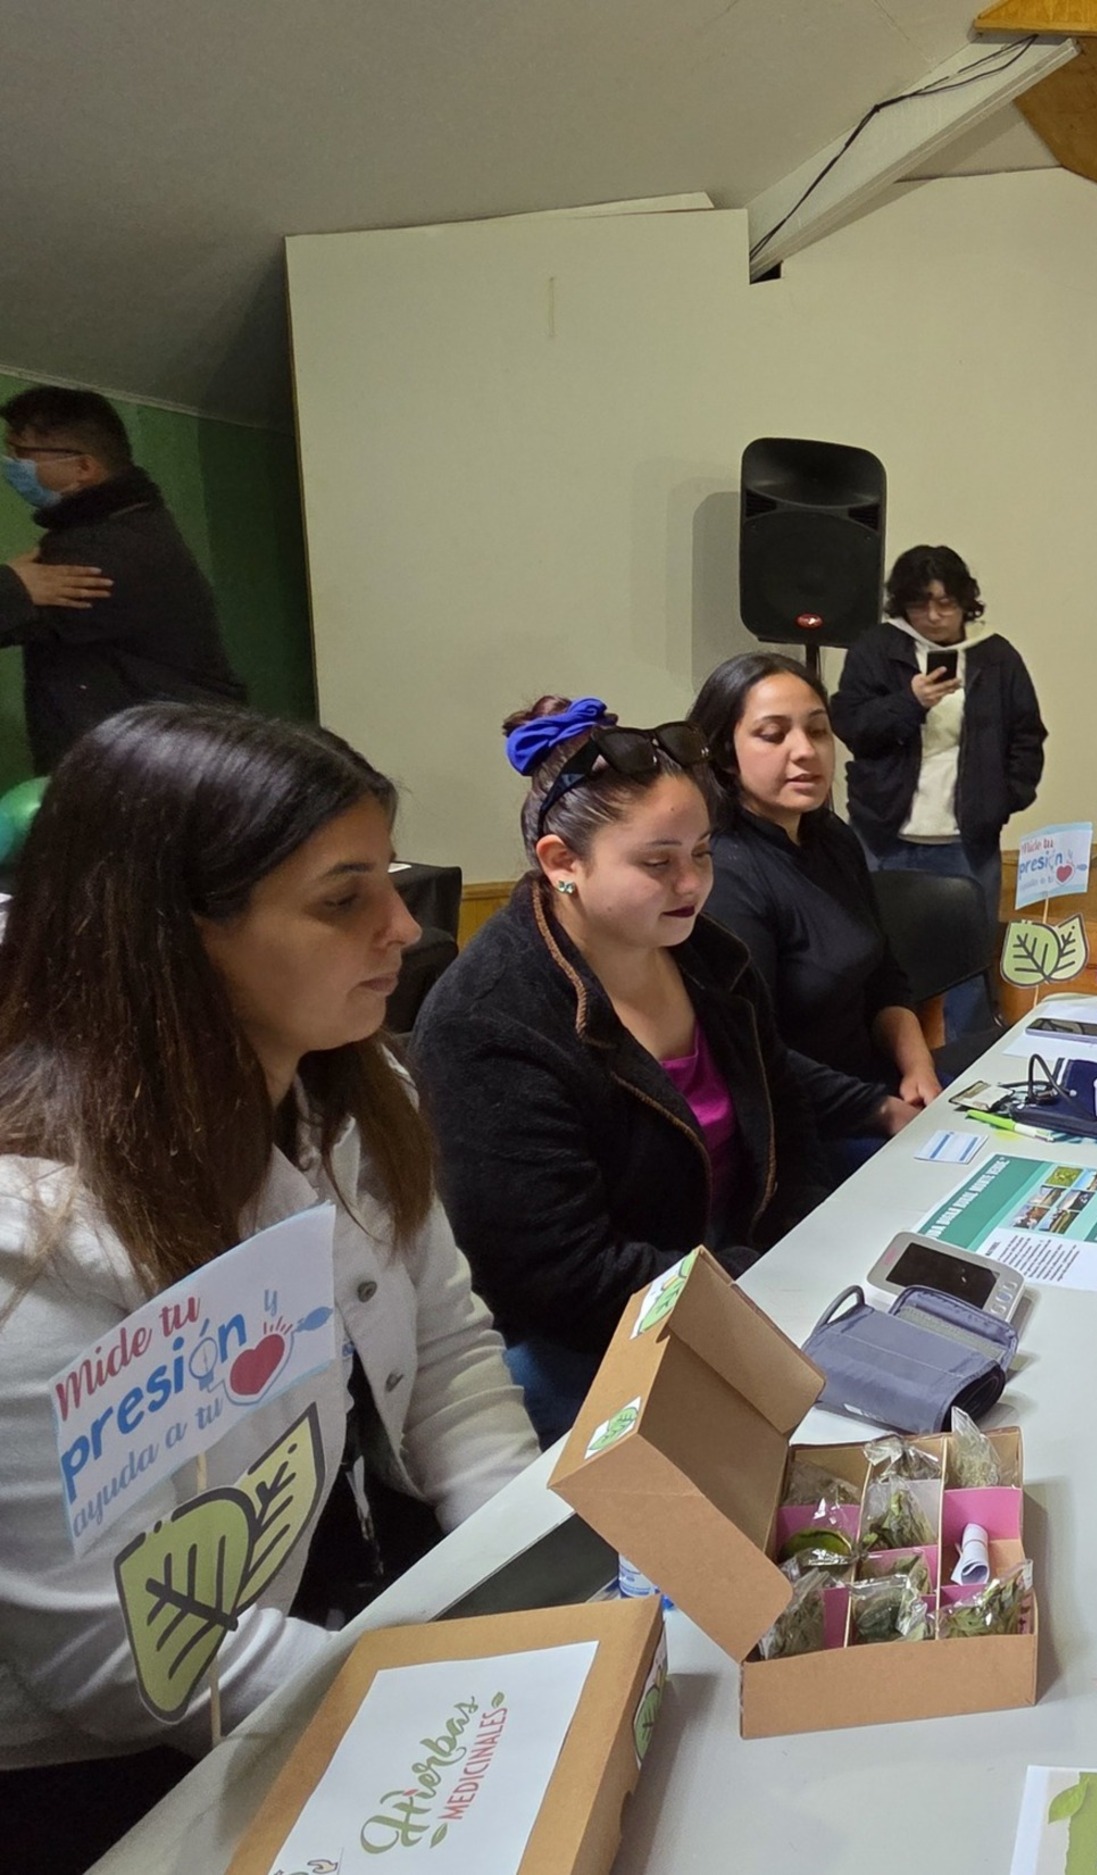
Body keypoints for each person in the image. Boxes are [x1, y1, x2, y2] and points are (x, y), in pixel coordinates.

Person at [0, 707, 535, 1874]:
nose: (405, 925)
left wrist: (531, 1577)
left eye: (387, 879)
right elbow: (126, 1662)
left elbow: (445, 1355)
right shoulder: (30, 1252)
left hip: (321, 1631)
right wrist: (456, 1698)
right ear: (173, 939)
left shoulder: (348, 1093)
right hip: (114, 1781)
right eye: (343, 900)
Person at [411, 698, 884, 1443]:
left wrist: (795, 1266)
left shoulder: (709, 957)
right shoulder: (487, 1020)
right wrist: (753, 1294)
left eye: (701, 852)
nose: (691, 883)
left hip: (737, 1284)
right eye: (657, 862)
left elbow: (787, 1128)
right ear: (563, 862)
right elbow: (556, 1277)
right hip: (597, 1341)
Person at [691, 651, 944, 1159]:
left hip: (881, 1088)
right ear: (723, 753)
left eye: (819, 730)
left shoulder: (833, 838)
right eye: (772, 734)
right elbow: (752, 1054)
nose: (805, 751)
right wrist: (883, 1111)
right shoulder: (725, 873)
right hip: (806, 1127)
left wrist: (919, 1066)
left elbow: (883, 977)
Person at [832, 545, 1046, 1036]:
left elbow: (1026, 735)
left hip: (966, 837)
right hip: (885, 833)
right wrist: (909, 702)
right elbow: (852, 724)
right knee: (874, 952)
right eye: (920, 604)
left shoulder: (997, 657)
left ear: (966, 602)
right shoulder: (876, 648)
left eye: (945, 603)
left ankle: (968, 1068)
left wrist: (1004, 798)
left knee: (969, 962)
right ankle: (876, 1054)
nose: (933, 616)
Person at [0, 387, 246, 771]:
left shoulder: (106, 552)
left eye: (23, 454)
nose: (10, 463)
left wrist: (11, 585)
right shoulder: (133, 525)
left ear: (84, 468)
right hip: (173, 768)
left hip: (158, 778)